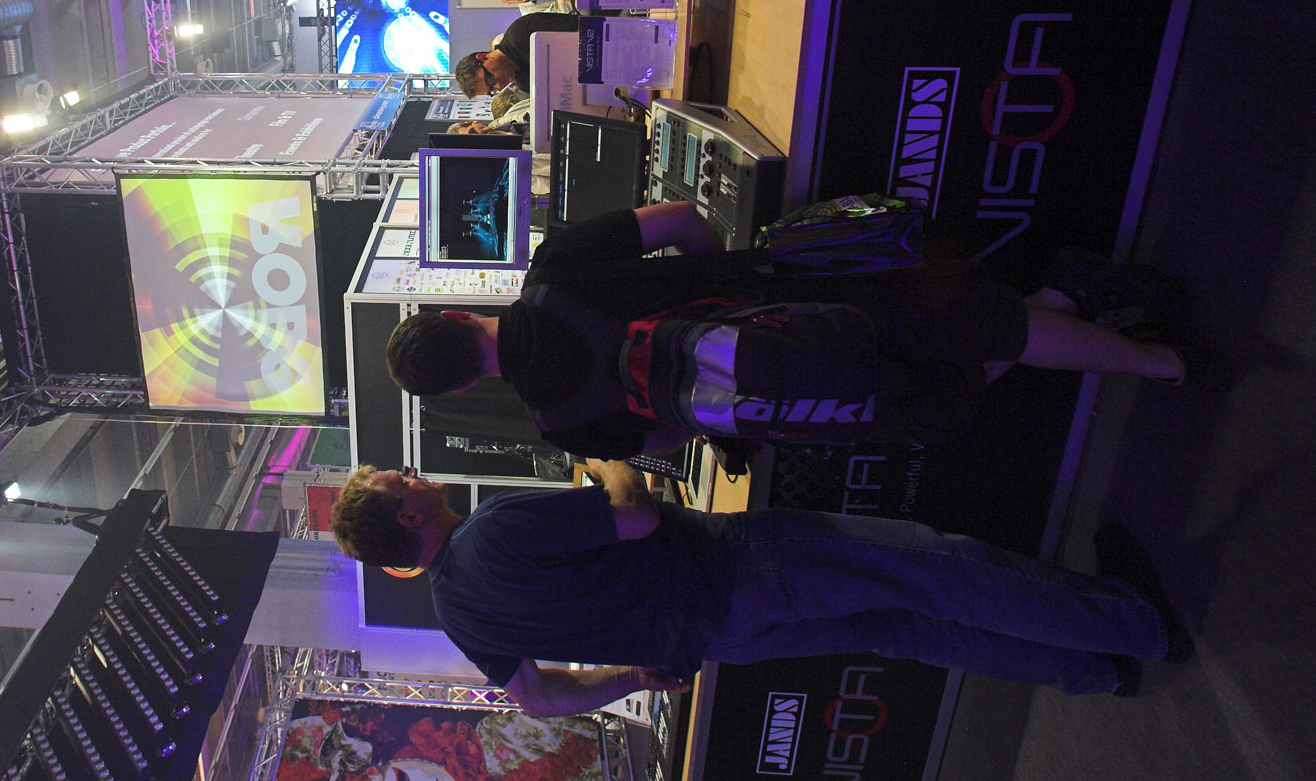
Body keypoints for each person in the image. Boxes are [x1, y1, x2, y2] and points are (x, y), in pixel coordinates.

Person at [329, 459, 1191, 710]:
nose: (414, 475)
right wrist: (610, 464)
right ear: (408, 513)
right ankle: (1133, 626)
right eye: (401, 481)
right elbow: (634, 517)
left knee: (909, 627)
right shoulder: (492, 530)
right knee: (932, 568)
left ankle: (1092, 669)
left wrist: (631, 677)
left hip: (722, 638)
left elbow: (539, 699)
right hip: (738, 569)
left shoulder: (457, 612)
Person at [386, 202, 1213, 460]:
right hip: (805, 301)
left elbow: (670, 435)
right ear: (456, 312)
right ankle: (1154, 356)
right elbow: (681, 218)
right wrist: (727, 280)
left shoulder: (561, 426)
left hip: (791, 395)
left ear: (464, 384)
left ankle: (1089, 305)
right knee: (981, 328)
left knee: (941, 392)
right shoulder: (556, 268)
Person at [452, 12, 580, 98]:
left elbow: (582, 29)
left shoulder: (521, 32)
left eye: (490, 78)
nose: (498, 85)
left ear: (483, 57)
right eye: (492, 90)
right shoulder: (524, 83)